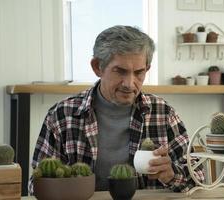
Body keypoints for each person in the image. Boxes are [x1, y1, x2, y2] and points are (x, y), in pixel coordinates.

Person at [29, 25, 204, 193]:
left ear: (147, 69)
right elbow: (36, 185)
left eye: (139, 73)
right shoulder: (61, 116)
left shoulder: (164, 113)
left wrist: (171, 175)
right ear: (97, 67)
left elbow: (199, 179)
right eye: (120, 71)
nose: (129, 84)